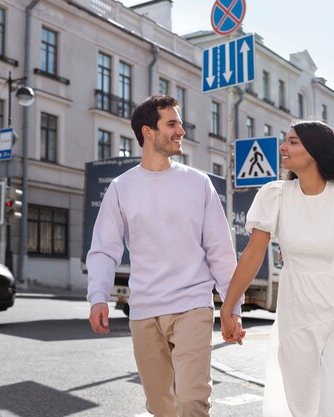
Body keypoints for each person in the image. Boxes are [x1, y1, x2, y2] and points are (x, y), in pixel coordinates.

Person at [219, 120, 334, 417]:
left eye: (292, 142)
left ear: (315, 150)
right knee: (304, 408)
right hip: (297, 318)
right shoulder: (275, 195)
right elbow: (251, 256)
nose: (283, 148)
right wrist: (227, 307)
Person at [86, 95, 244, 417]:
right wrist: (98, 296)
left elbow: (220, 251)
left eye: (180, 123)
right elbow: (104, 247)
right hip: (144, 310)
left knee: (191, 401)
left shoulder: (198, 184)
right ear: (148, 131)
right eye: (172, 123)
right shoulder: (121, 187)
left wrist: (232, 307)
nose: (181, 131)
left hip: (192, 306)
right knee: (161, 407)